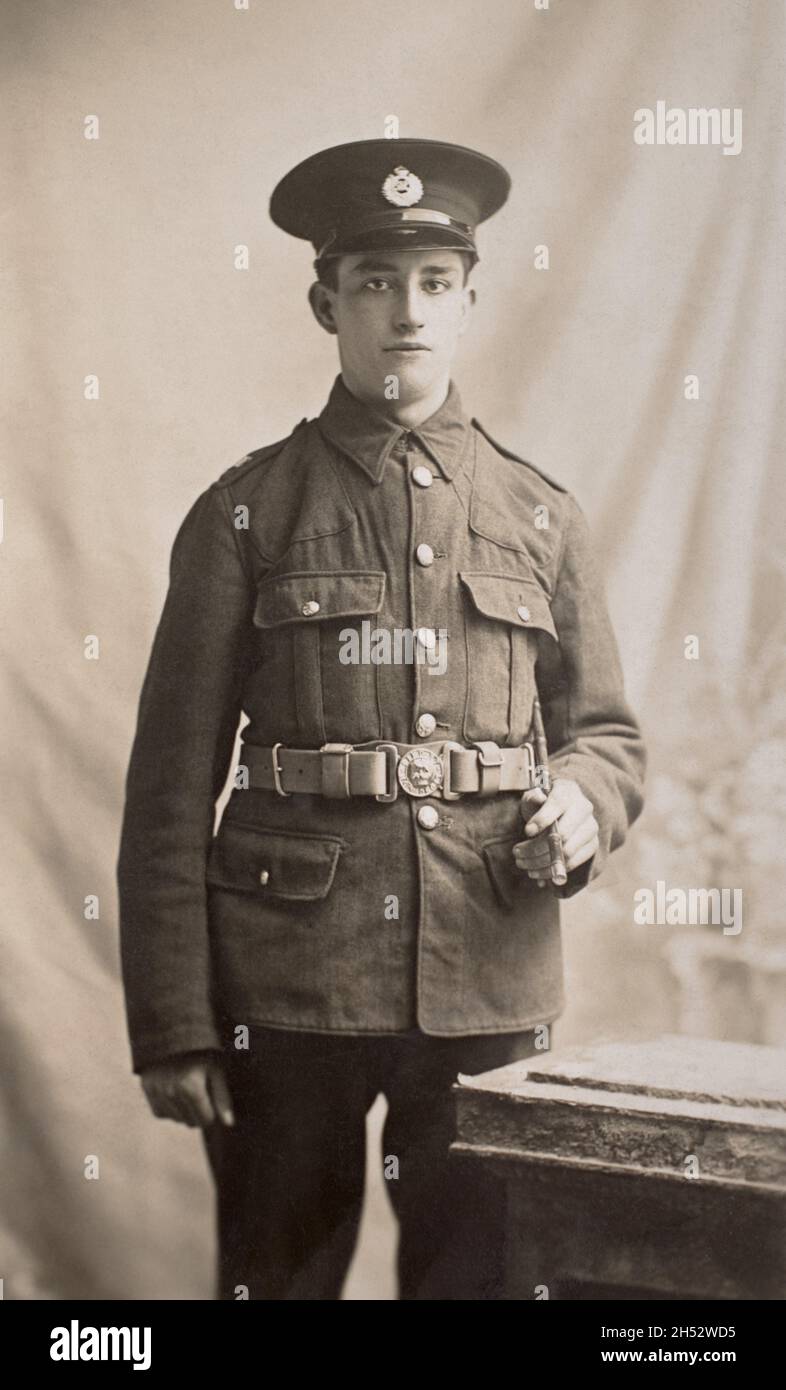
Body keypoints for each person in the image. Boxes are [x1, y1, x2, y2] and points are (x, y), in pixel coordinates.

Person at [116, 137, 646, 1300]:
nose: (407, 311)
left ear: (469, 300)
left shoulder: (541, 515)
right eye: (374, 281)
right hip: (285, 985)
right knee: (277, 1280)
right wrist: (175, 1024)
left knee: (478, 1287)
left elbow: (609, 734)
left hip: (487, 977)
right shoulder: (246, 516)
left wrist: (583, 803)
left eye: (435, 283)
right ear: (326, 302)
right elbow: (167, 789)